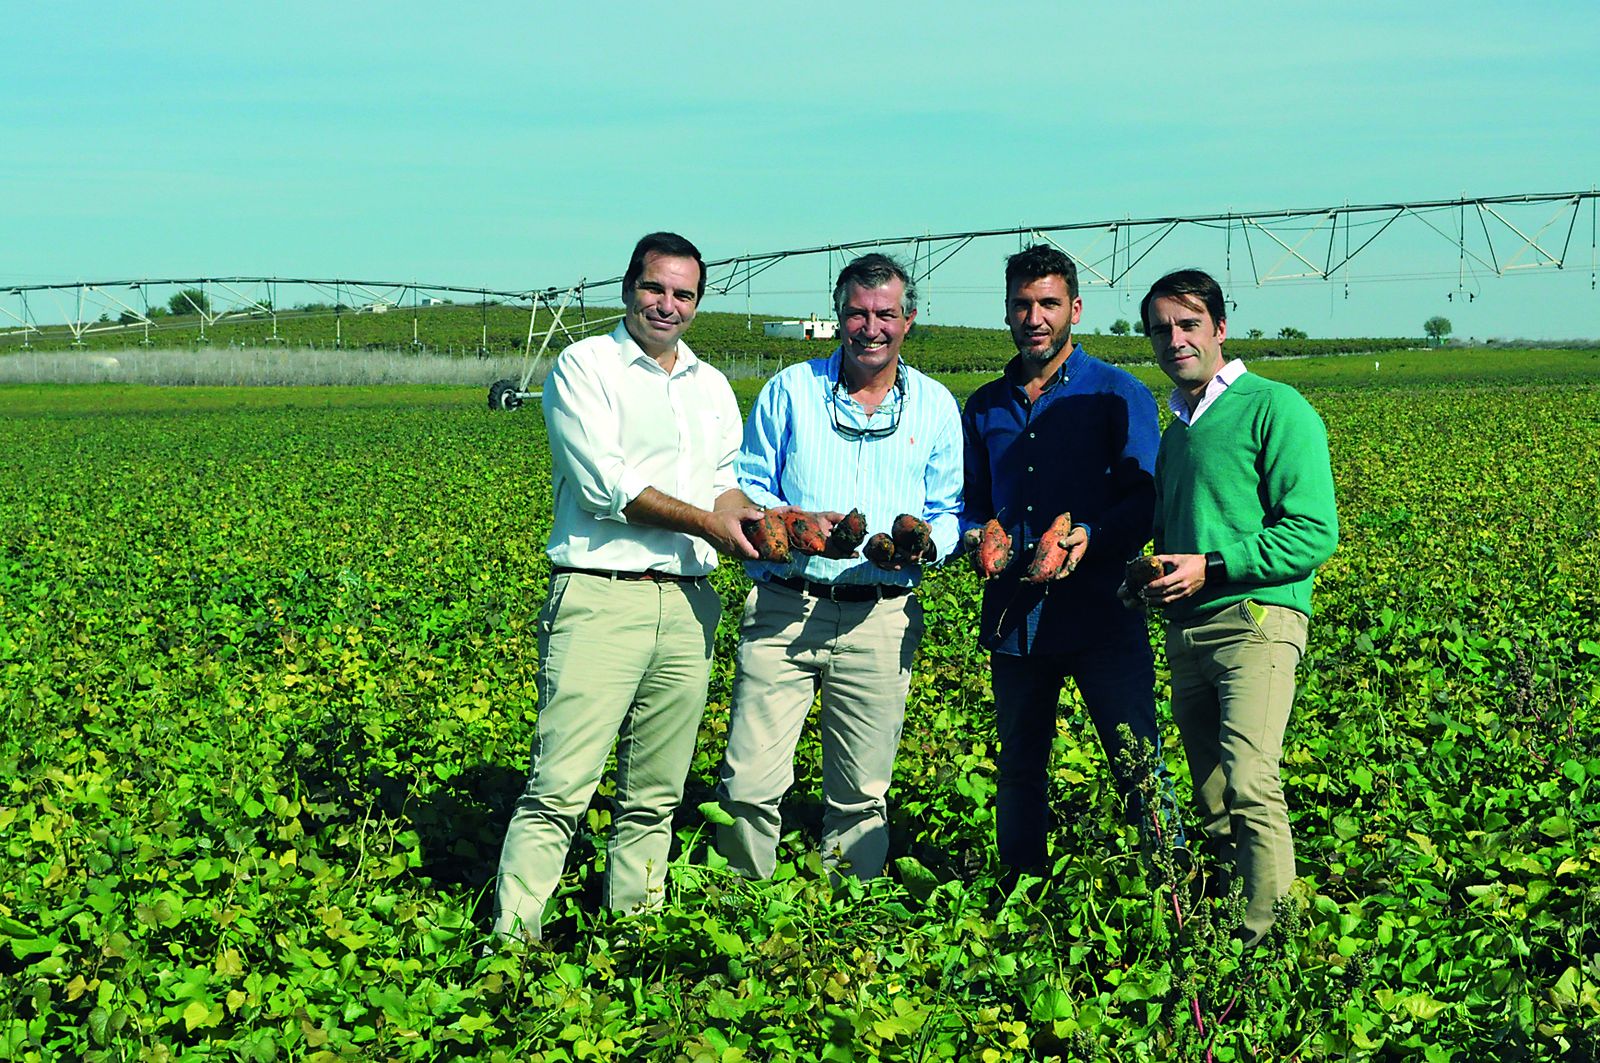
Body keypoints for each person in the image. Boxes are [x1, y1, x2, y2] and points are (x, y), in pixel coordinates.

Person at [492, 232, 762, 941]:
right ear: (628, 287)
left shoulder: (709, 386)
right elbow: (603, 484)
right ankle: (510, 941)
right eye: (655, 288)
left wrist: (756, 522)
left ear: (698, 303)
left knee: (655, 793)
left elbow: (723, 485)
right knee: (559, 787)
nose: (666, 305)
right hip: (600, 594)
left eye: (683, 294)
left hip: (689, 604)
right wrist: (708, 521)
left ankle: (633, 934)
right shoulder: (584, 366)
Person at [714, 252, 963, 880]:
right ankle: (743, 902)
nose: (870, 327)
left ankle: (848, 915)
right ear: (838, 317)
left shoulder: (934, 406)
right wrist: (792, 519)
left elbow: (949, 507)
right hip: (785, 603)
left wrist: (929, 542)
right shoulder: (790, 390)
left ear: (909, 320)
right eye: (857, 313)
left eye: (885, 314)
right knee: (749, 775)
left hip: (881, 615)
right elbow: (746, 485)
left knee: (861, 789)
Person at [1131, 268, 1338, 945]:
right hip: (1188, 630)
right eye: (1161, 328)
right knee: (1214, 799)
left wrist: (1212, 566)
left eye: (1188, 324)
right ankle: (1224, 934)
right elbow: (1188, 534)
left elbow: (1312, 532)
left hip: (1257, 620)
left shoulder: (1275, 407)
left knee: (1250, 778)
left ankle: (1269, 949)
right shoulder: (1177, 431)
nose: (1175, 339)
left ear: (1220, 328)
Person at [959, 245, 1163, 878]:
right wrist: (976, 537)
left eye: (1048, 303)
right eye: (1022, 305)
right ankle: (1022, 895)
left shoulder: (1118, 394)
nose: (1035, 317)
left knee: (1137, 763)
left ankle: (1173, 892)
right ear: (1007, 313)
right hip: (1015, 619)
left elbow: (1145, 502)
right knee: (1021, 764)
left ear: (1074, 308)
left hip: (1102, 613)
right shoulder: (985, 406)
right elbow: (969, 505)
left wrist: (1089, 537)